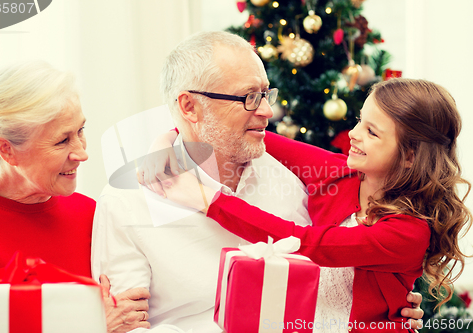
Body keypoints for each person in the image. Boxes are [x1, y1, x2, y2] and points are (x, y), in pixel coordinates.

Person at [94, 31, 423, 333]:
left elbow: (325, 252)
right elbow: (128, 328)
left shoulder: (298, 177)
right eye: (249, 97)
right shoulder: (127, 202)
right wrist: (166, 142)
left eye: (266, 93)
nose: (267, 110)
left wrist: (390, 307)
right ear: (189, 106)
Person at [142, 78, 471, 332]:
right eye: (359, 120)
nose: (353, 133)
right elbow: (238, 131)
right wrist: (164, 143)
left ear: (411, 155)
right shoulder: (334, 171)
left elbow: (308, 244)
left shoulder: (408, 232)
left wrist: (208, 201)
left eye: (371, 132)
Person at [0, 60, 150, 333]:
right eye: (61, 141)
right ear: (7, 150)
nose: (82, 153)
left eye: (80, 131)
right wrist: (92, 325)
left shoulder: (92, 212)